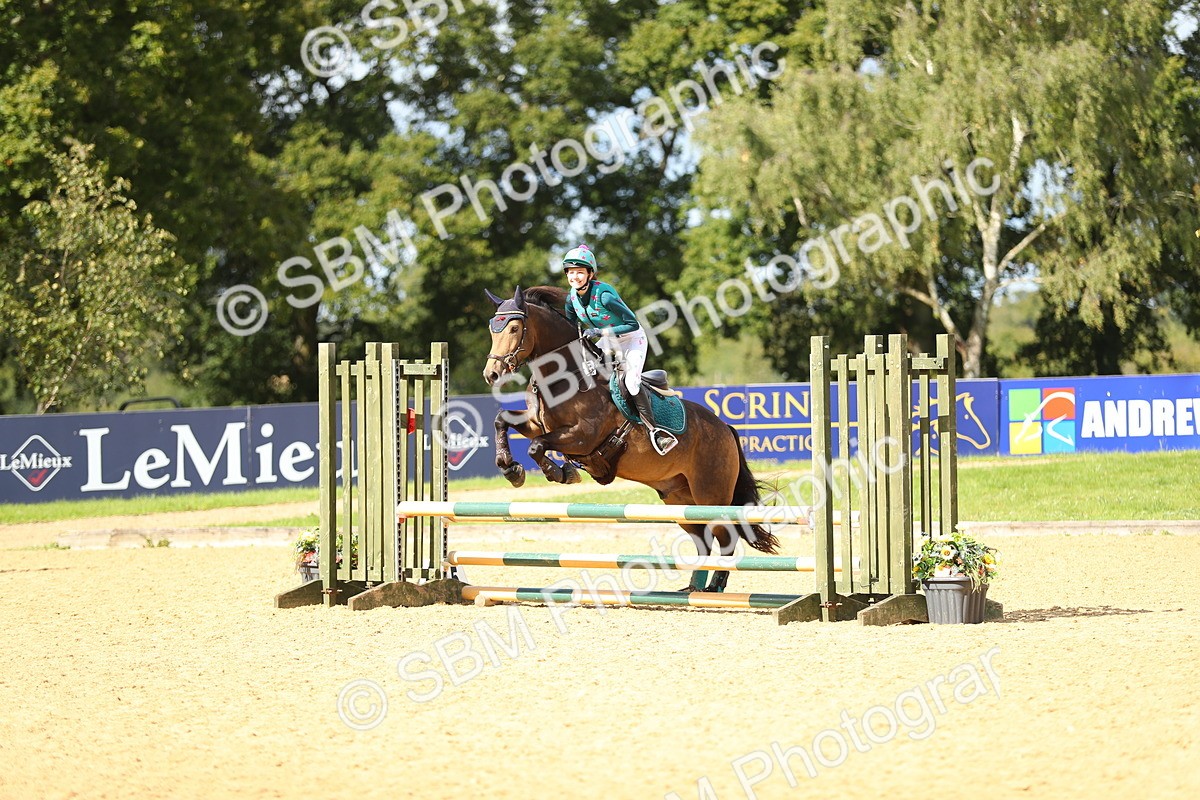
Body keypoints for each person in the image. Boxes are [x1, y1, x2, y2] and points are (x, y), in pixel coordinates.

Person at [561, 244, 678, 455]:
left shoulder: (603, 296)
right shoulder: (572, 299)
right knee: (584, 371)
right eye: (571, 272)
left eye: (580, 272)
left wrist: (599, 332)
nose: (575, 277)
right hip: (607, 339)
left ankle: (656, 432)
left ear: (590, 273)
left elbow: (632, 323)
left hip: (631, 338)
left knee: (631, 384)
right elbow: (569, 326)